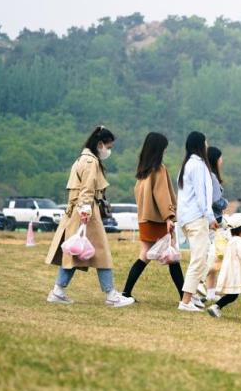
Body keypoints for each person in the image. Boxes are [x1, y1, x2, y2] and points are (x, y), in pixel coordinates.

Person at [44, 126, 134, 308]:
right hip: (86, 211)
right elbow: (87, 188)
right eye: (108, 147)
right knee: (101, 254)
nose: (108, 151)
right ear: (100, 144)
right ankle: (111, 295)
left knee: (75, 253)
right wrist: (85, 211)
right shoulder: (91, 162)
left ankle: (58, 291)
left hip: (79, 210)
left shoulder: (82, 159)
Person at [121, 132, 185, 302]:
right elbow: (162, 195)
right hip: (158, 220)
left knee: (144, 255)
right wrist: (169, 217)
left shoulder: (143, 171)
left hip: (144, 219)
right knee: (173, 258)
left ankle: (126, 293)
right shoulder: (159, 169)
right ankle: (184, 298)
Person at [177, 131, 218, 312]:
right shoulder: (199, 165)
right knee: (199, 260)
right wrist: (210, 218)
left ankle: (191, 297)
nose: (207, 145)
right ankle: (185, 301)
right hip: (196, 218)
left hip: (186, 218)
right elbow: (202, 196)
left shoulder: (186, 165)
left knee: (200, 258)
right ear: (201, 145)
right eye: (206, 142)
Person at [208, 212, 241, 319]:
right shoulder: (240, 242)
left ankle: (216, 306)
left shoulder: (232, 240)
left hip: (234, 273)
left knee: (233, 296)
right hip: (240, 275)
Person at [199, 146, 228, 302]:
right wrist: (226, 203)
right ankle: (200, 284)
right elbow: (216, 201)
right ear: (215, 159)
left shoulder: (205, 175)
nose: (222, 161)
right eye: (221, 158)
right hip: (213, 221)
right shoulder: (212, 177)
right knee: (213, 257)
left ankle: (210, 292)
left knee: (212, 257)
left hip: (206, 220)